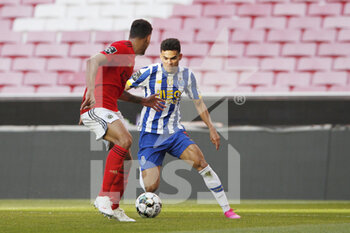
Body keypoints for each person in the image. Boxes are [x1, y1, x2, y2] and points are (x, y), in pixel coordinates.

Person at [125, 38, 240, 219]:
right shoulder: (148, 72)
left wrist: (211, 127)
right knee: (151, 188)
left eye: (173, 58)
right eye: (165, 58)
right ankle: (145, 169)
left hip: (174, 132)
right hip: (151, 134)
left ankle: (227, 209)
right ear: (160, 56)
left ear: (180, 56)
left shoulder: (187, 76)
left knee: (202, 163)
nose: (169, 62)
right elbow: (120, 87)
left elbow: (199, 103)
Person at [80, 19, 165, 222]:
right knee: (125, 140)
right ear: (147, 38)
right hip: (97, 106)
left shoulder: (129, 61)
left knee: (127, 161)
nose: (148, 44)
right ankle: (102, 197)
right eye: (149, 41)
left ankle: (115, 206)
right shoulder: (121, 48)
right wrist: (90, 90)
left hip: (109, 108)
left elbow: (119, 92)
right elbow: (93, 61)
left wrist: (143, 100)